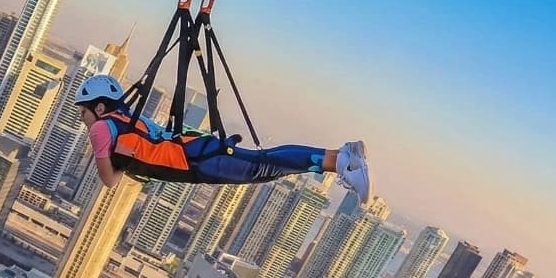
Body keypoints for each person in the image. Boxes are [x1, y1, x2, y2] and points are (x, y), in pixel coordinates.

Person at [76, 75, 371, 201]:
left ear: (99, 106)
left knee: (262, 167)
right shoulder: (127, 120)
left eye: (84, 111)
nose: (82, 118)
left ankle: (341, 161)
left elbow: (109, 180)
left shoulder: (101, 129)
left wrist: (115, 160)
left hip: (195, 162)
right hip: (197, 151)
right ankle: (341, 156)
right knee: (262, 163)